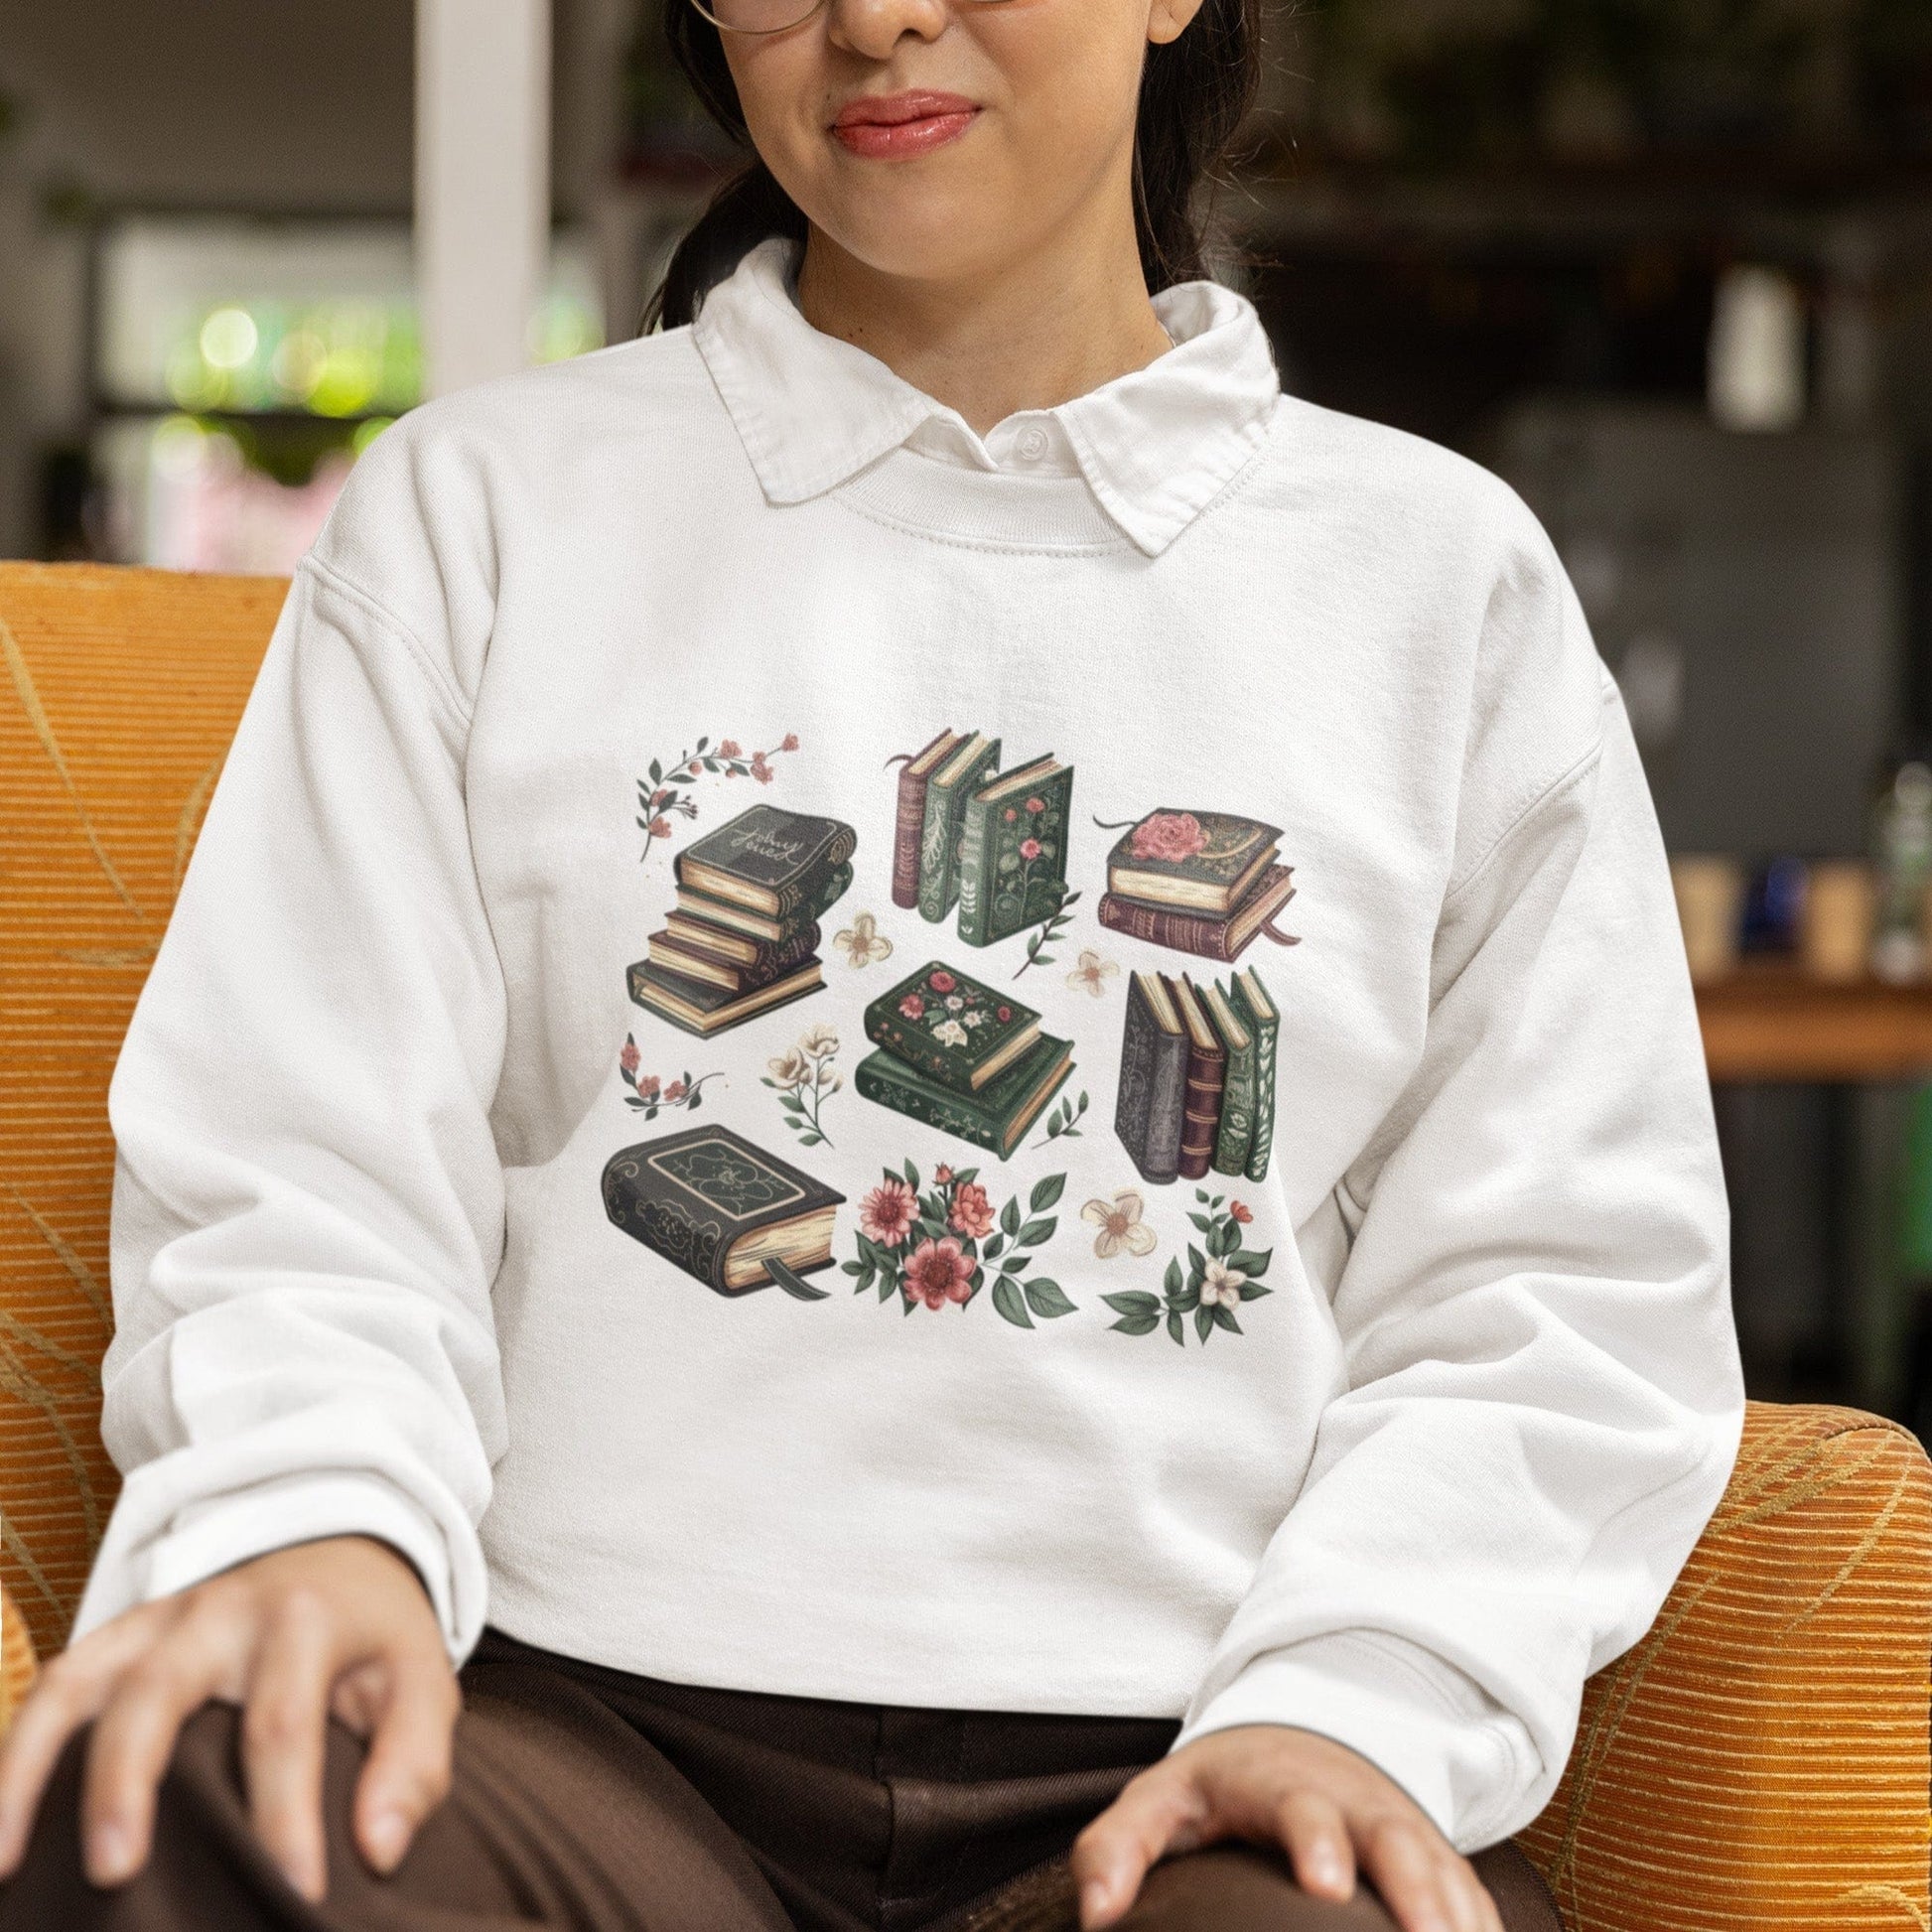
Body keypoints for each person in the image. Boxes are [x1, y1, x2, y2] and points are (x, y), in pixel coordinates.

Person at [0, 0, 1746, 1928]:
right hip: (567, 1737)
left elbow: (1563, 1280)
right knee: (175, 1816)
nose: (876, 16)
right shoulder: (483, 513)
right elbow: (301, 1150)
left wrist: (1361, 1705)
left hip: (1192, 1767)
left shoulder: (1437, 582)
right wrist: (312, 1521)